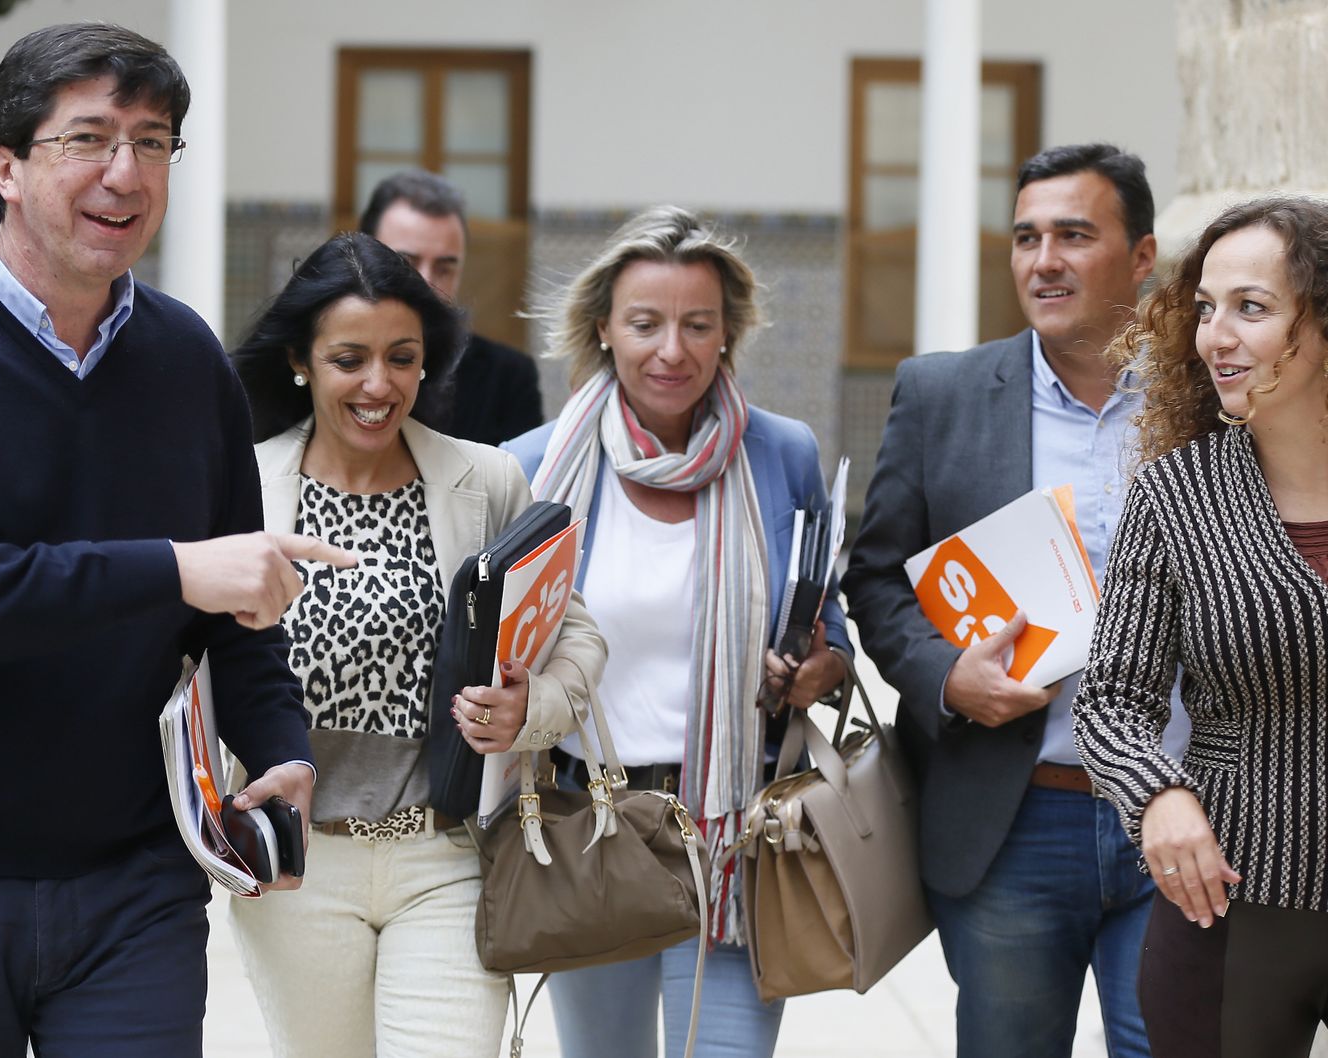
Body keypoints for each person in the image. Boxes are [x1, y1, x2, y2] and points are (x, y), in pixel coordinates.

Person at [0, 23, 352, 1058]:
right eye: (88, 139)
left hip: (133, 882)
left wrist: (279, 746)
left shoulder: (188, 359)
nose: (124, 172)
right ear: (4, 165)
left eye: (152, 142)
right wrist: (173, 567)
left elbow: (234, 614)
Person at [226, 231, 606, 1058]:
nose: (378, 384)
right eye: (349, 359)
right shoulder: (241, 488)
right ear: (301, 360)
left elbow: (576, 632)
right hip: (300, 863)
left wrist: (529, 709)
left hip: (448, 852)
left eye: (402, 358)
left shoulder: (486, 481)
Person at [842, 143, 1182, 1058]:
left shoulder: (1210, 398)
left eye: (1075, 234)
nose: (1045, 261)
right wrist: (949, 677)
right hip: (1014, 816)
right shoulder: (941, 393)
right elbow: (874, 578)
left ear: (1141, 257)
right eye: (1027, 237)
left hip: (1183, 810)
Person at [504, 205, 852, 1058]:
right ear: (604, 330)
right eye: (647, 324)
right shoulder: (532, 467)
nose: (673, 350)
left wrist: (819, 668)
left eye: (698, 326)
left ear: (728, 334)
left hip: (735, 832)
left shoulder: (783, 453)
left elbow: (829, 628)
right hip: (592, 830)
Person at [1073, 196, 1328, 1057]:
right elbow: (1107, 702)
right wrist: (1159, 795)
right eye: (1207, 308)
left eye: (1250, 308)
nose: (1215, 335)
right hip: (1228, 909)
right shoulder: (1175, 497)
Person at [360, 168, 544, 446]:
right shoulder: (323, 361)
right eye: (406, 262)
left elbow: (522, 485)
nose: (426, 282)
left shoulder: (508, 377)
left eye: (444, 268)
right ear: (363, 257)